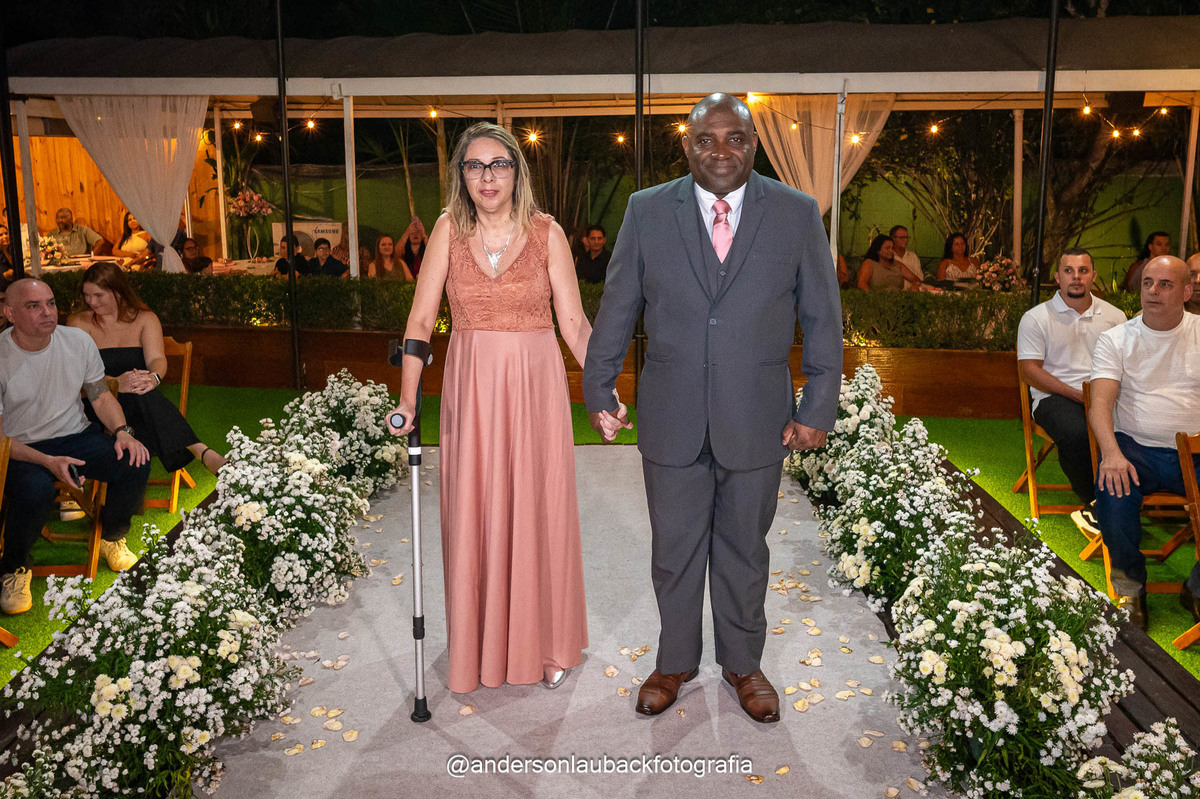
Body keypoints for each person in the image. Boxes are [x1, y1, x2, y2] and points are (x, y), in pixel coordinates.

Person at [582, 93, 843, 724]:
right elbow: (618, 305)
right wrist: (598, 387)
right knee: (673, 551)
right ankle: (674, 663)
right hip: (671, 416)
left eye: (734, 138)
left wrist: (817, 406)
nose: (720, 151)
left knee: (745, 551)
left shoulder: (796, 213)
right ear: (687, 146)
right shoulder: (647, 211)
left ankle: (743, 665)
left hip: (758, 416)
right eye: (706, 139)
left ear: (753, 143)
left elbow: (822, 316)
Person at [386, 122, 592, 693]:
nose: (487, 177)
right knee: (474, 510)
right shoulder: (448, 231)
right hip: (472, 388)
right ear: (461, 175)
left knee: (538, 507)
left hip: (535, 388)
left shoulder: (547, 233)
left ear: (517, 172)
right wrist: (407, 397)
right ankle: (479, 645)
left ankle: (546, 643)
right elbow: (420, 321)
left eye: (498, 164)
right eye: (474, 166)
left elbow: (575, 324)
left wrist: (604, 392)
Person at [0, 279, 151, 615]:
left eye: (51, 303)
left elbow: (100, 395)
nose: (47, 312)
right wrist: (48, 461)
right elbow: (0, 441)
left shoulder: (78, 341)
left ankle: (111, 537)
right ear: (10, 314)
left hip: (75, 436)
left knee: (135, 460)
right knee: (35, 489)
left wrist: (123, 432)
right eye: (34, 306)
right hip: (19, 447)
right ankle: (15, 568)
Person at [1089, 255, 1200, 630]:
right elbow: (1100, 403)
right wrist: (1111, 454)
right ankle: (1131, 589)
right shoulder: (1116, 339)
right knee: (1113, 496)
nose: (1153, 291)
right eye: (1148, 283)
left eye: (1166, 284)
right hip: (1134, 448)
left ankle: (1196, 589)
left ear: (1186, 291)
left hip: (1195, 452)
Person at [66, 263, 226, 476]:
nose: (91, 302)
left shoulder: (145, 319)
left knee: (139, 391)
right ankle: (200, 451)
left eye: (98, 295)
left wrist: (153, 378)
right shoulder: (78, 323)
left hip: (138, 403)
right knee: (137, 394)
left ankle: (197, 451)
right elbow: (78, 376)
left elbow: (157, 359)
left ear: (119, 292)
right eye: (87, 295)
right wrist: (115, 383)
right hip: (97, 403)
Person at [1016, 247, 1126, 534]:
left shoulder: (1114, 316)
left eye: (1083, 271)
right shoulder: (1036, 318)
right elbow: (1029, 371)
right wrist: (1078, 394)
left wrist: (1101, 397)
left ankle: (1128, 500)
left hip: (1104, 395)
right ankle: (1096, 503)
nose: (1076, 277)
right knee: (1078, 433)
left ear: (1093, 276)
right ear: (1057, 277)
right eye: (1069, 271)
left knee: (1140, 427)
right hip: (1054, 397)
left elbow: (1126, 365)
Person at [857, 234, 923, 292]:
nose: (891, 251)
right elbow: (861, 284)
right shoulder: (869, 263)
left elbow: (915, 279)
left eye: (892, 248)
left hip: (898, 298)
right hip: (876, 299)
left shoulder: (898, 265)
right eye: (887, 248)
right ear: (878, 250)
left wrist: (915, 286)